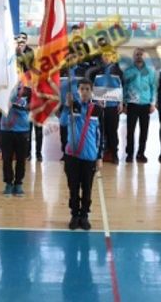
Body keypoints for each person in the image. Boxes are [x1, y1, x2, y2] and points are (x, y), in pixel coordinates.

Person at [63, 79, 104, 231]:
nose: (84, 92)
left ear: (91, 91)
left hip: (89, 157)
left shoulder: (97, 110)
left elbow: (101, 135)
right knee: (73, 188)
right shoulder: (72, 107)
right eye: (82, 89)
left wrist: (99, 157)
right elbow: (62, 123)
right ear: (78, 91)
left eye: (87, 89)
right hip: (72, 157)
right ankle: (74, 214)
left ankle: (84, 215)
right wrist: (67, 108)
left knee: (87, 188)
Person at [122, 47, 157, 163]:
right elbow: (124, 88)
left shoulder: (150, 71)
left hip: (145, 104)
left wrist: (153, 103)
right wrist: (124, 103)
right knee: (130, 130)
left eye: (141, 54)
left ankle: (141, 153)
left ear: (145, 57)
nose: (139, 56)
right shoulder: (128, 70)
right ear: (134, 56)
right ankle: (130, 153)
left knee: (144, 131)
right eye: (137, 54)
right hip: (132, 104)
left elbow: (153, 87)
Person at [89, 50, 124, 164]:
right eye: (104, 55)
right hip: (99, 105)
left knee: (112, 130)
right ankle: (98, 154)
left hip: (113, 106)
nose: (106, 58)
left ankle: (114, 153)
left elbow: (122, 88)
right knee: (99, 131)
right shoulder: (96, 71)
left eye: (108, 56)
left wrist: (120, 102)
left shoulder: (118, 71)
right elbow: (92, 87)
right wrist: (95, 99)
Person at [0, 79, 32, 196]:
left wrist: (21, 105)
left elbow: (34, 105)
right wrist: (4, 102)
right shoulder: (3, 86)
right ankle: (8, 183)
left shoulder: (29, 88)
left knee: (21, 159)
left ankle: (18, 183)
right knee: (7, 158)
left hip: (22, 128)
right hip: (6, 128)